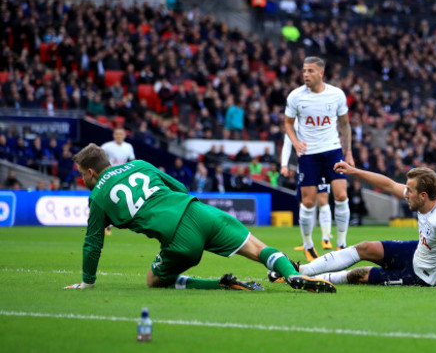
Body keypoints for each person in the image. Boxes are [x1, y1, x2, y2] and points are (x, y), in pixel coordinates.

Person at [64, 143, 335, 293]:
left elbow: (93, 242)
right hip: (200, 211)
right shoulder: (140, 165)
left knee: (153, 280)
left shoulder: (98, 196)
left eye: (82, 175)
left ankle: (220, 285)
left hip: (179, 239)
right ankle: (293, 276)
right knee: (258, 248)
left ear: (91, 172)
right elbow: (180, 189)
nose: (83, 179)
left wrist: (88, 280)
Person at [271, 163, 436, 289]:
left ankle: (307, 279)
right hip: (419, 251)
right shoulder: (429, 200)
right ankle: (299, 270)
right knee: (366, 247)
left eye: (409, 191)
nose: (405, 195)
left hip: (423, 277)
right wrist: (354, 171)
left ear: (423, 195)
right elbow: (389, 184)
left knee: (361, 274)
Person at [284, 57, 353, 261]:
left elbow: (345, 125)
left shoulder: (336, 95)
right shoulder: (296, 96)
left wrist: (348, 152)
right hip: (309, 155)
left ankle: (341, 244)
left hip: (332, 150)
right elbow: (288, 123)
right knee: (307, 201)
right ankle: (308, 245)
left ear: (321, 73)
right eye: (304, 70)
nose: (306, 74)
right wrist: (296, 142)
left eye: (310, 71)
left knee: (341, 195)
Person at [281, 120, 334, 258]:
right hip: (304, 169)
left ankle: (326, 238)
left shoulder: (316, 119)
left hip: (321, 166)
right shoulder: (293, 123)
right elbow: (287, 144)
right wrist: (284, 165)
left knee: (323, 200)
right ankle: (306, 242)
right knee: (304, 204)